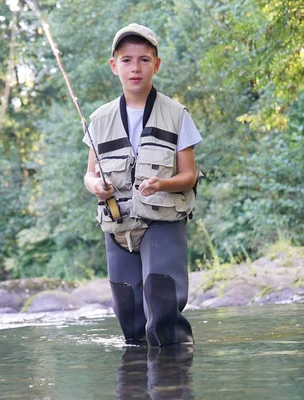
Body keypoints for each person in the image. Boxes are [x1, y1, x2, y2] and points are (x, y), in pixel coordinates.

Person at [83, 23, 202, 346]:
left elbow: (189, 175)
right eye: (126, 60)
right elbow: (89, 174)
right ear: (114, 66)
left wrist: (161, 183)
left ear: (156, 65)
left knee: (163, 306)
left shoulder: (177, 115)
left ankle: (173, 382)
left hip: (162, 220)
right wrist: (96, 186)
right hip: (118, 222)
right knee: (129, 313)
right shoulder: (98, 120)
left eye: (144, 60)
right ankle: (136, 385)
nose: (135, 68)